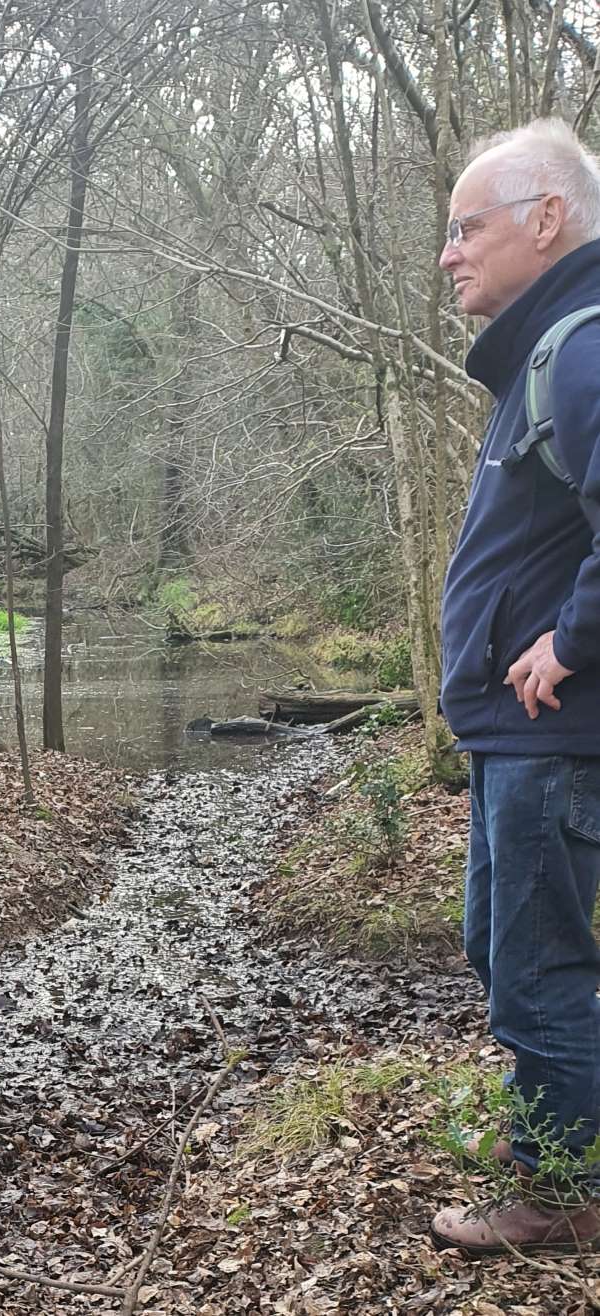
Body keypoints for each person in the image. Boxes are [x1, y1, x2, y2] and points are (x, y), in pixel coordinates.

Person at [433, 118, 600, 1255]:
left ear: (546, 220)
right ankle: (561, 1127)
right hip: (512, 738)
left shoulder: (579, 348)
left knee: (538, 969)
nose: (448, 253)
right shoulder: (540, 356)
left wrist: (570, 641)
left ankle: (561, 1191)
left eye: (465, 226)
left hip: (550, 731)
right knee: (500, 943)